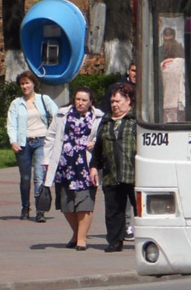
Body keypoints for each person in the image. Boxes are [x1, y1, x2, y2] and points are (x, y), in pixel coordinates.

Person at [42, 87, 104, 251]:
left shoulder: (98, 117)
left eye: (84, 100)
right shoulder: (62, 114)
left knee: (85, 202)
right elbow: (51, 136)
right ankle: (76, 233)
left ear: (91, 101)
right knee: (67, 204)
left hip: (86, 165)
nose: (80, 103)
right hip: (65, 165)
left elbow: (103, 136)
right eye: (78, 99)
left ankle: (82, 239)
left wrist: (95, 142)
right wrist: (46, 159)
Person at [6, 70, 59, 222]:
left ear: (33, 83)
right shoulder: (16, 103)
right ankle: (25, 207)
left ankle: (40, 210)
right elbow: (11, 124)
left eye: (27, 83)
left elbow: (57, 116)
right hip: (23, 143)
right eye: (22, 84)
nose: (25, 86)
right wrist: (13, 141)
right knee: (25, 178)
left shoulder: (44, 99)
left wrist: (52, 136)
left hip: (42, 141)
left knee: (39, 176)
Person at [91, 83, 135, 252]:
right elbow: (98, 148)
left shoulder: (136, 120)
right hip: (112, 175)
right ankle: (115, 241)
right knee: (113, 211)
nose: (115, 105)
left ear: (128, 100)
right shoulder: (106, 122)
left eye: (118, 101)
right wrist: (94, 166)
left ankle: (148, 240)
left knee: (141, 210)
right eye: (112, 101)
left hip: (133, 174)